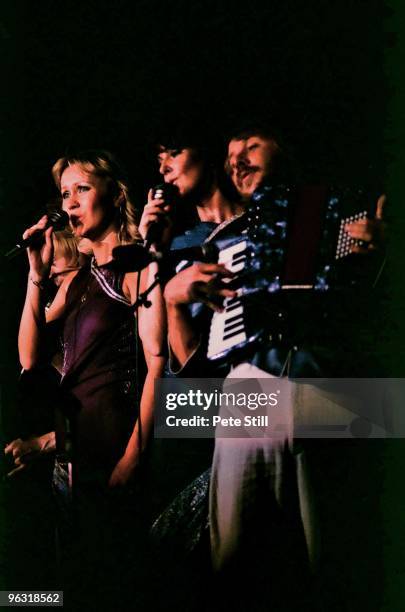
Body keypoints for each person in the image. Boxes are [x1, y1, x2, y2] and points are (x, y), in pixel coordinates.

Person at [17, 150, 166, 608]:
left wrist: (135, 455)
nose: (71, 203)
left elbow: (158, 364)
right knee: (71, 587)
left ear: (114, 193)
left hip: (114, 444)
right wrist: (36, 275)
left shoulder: (135, 269)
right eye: (65, 193)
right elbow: (30, 358)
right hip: (72, 456)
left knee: (116, 580)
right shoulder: (79, 278)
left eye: (82, 189)